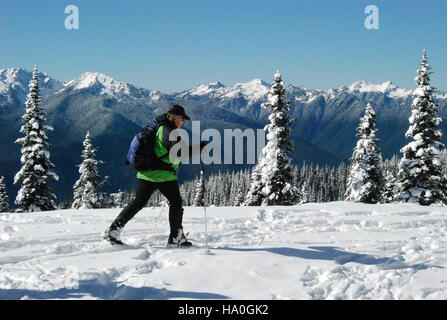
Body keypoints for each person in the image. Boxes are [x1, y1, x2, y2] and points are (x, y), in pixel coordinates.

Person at [104, 104, 203, 247]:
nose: (182, 122)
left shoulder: (160, 127)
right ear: (174, 117)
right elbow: (179, 153)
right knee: (176, 203)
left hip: (148, 173)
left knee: (138, 203)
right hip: (162, 175)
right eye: (181, 119)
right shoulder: (168, 130)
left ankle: (112, 231)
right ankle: (175, 237)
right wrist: (199, 148)